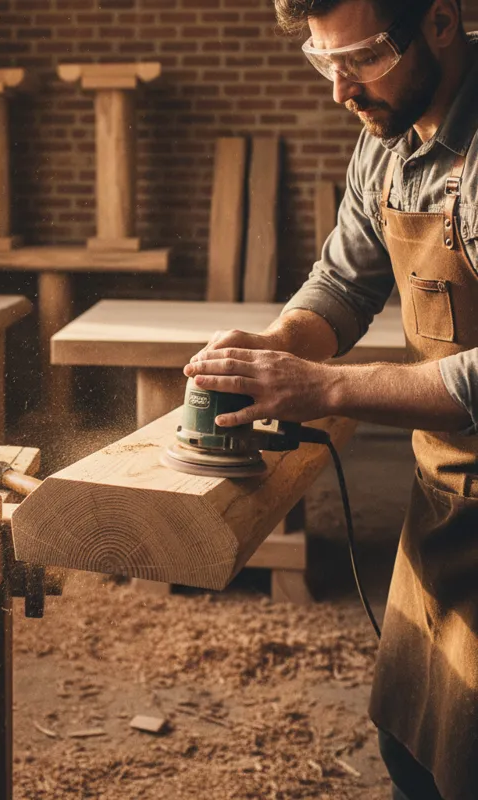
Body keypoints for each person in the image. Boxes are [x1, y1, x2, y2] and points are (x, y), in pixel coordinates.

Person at [185, 1, 478, 797]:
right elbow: (345, 282)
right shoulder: (386, 139)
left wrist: (324, 386)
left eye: (364, 58)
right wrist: (279, 347)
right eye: (323, 61)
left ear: (442, 23)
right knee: (410, 746)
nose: (341, 89)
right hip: (448, 492)